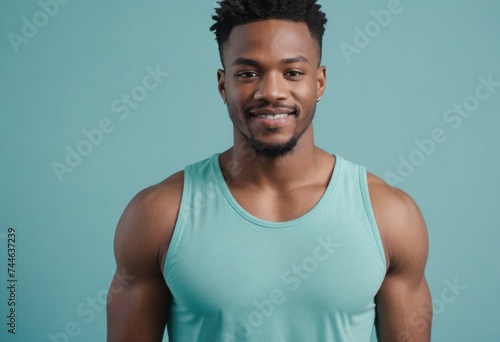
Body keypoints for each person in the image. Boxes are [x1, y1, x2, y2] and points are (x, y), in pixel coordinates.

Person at [107, 0, 432, 341]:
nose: (271, 92)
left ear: (319, 83)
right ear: (223, 85)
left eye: (292, 72)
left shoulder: (389, 216)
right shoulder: (159, 215)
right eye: (248, 74)